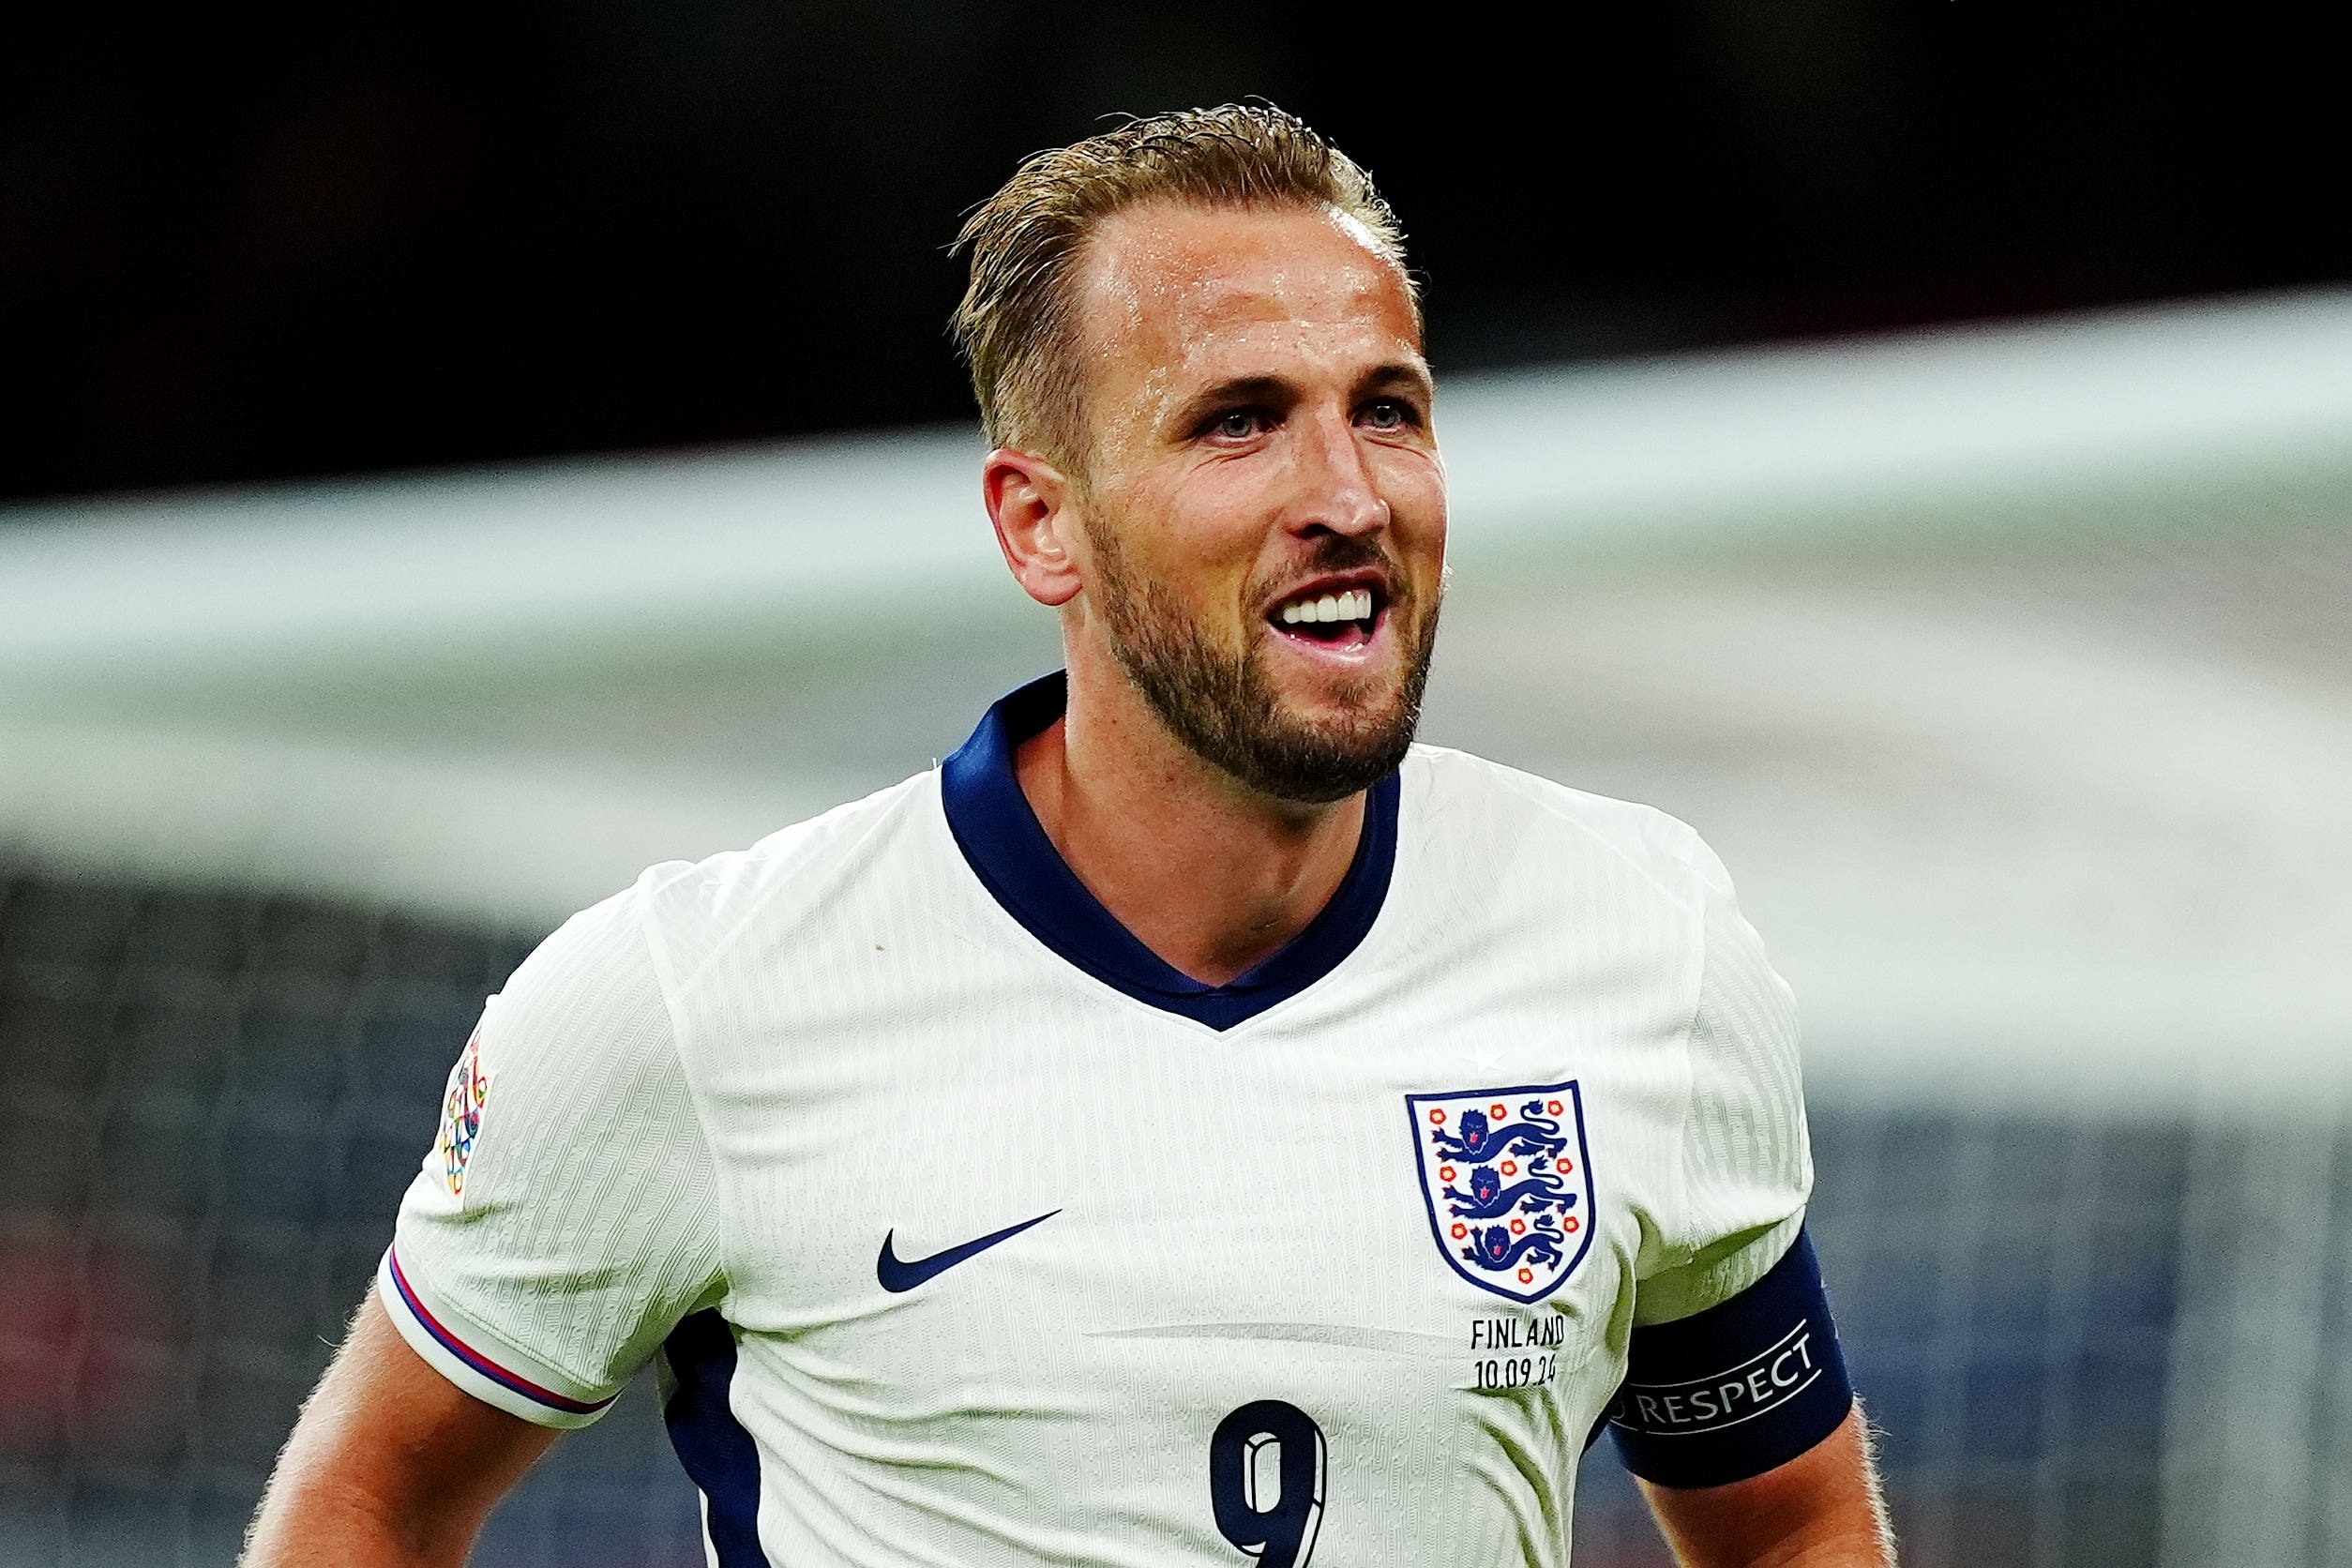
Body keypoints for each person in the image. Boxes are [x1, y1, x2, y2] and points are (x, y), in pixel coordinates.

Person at [243, 104, 1895, 1568]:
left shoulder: (1639, 940)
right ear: (1044, 526)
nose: (1349, 491)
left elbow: (1792, 1527)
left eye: (1385, 408)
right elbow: (366, 1506)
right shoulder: (690, 997)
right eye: (1238, 420)